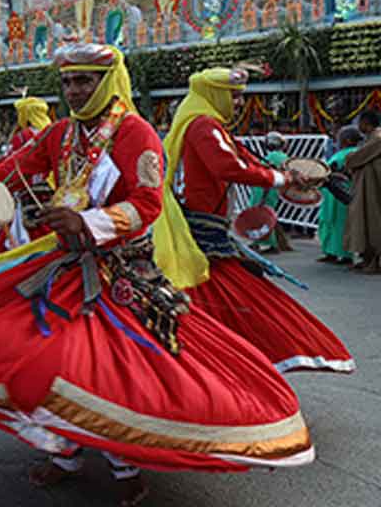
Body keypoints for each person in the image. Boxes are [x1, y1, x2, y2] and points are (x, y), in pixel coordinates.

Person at [0, 45, 313, 504]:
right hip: (63, 263)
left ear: (107, 82)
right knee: (30, 352)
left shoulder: (136, 134)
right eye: (69, 82)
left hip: (121, 271)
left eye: (84, 81)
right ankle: (64, 454)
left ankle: (124, 463)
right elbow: (13, 169)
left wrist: (89, 222)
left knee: (112, 371)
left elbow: (149, 203)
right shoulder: (60, 134)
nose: (73, 91)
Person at [154, 67, 353, 374]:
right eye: (233, 96)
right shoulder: (204, 126)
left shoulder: (210, 126)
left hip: (209, 228)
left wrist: (287, 178)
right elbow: (227, 167)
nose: (237, 103)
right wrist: (280, 179)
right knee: (240, 298)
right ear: (214, 95)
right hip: (203, 231)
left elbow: (242, 162)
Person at [319, 126, 363, 264]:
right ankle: (331, 252)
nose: (338, 140)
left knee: (340, 225)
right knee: (330, 222)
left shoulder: (352, 154)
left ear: (348, 140)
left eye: (340, 138)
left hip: (341, 194)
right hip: (333, 194)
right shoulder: (348, 153)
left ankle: (344, 255)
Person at [345, 110, 381, 273]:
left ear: (366, 123)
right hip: (366, 189)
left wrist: (351, 157)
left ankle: (375, 262)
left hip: (374, 191)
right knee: (365, 223)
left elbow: (354, 159)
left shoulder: (378, 138)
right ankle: (367, 259)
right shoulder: (371, 138)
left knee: (374, 223)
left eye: (359, 123)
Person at [248, 131, 291, 253]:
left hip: (265, 189)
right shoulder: (282, 157)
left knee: (262, 214)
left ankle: (270, 244)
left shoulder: (273, 157)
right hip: (270, 188)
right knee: (264, 214)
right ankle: (260, 241)